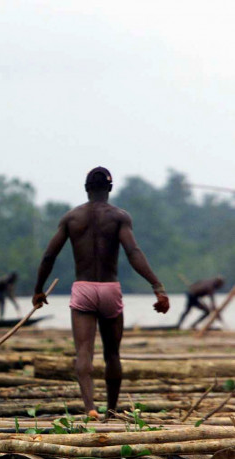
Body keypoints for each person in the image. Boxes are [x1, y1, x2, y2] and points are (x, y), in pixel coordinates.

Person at [32, 167, 169, 419]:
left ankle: (90, 408)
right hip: (110, 289)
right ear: (110, 188)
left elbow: (49, 255)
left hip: (83, 289)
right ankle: (112, 410)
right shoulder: (119, 217)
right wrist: (157, 286)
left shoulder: (71, 218)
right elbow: (133, 252)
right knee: (112, 353)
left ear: (86, 188)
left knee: (84, 352)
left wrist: (39, 289)